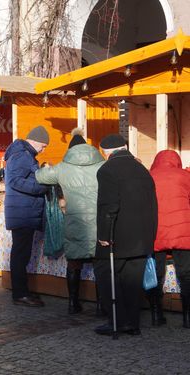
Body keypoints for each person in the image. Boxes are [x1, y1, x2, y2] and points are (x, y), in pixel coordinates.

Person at [35, 128, 105, 314]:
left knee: (74, 263)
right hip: (99, 224)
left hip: (75, 223)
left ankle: (73, 304)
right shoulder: (102, 165)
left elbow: (40, 177)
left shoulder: (63, 167)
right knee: (100, 265)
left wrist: (47, 167)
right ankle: (100, 306)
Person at [93, 134, 157, 336]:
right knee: (132, 282)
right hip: (142, 236)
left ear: (106, 152)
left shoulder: (107, 170)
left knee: (107, 275)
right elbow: (152, 204)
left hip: (118, 236)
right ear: (125, 147)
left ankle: (117, 321)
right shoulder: (142, 168)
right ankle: (132, 323)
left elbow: (109, 205)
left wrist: (104, 234)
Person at [4, 125, 49, 307]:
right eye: (44, 146)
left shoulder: (23, 154)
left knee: (21, 254)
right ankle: (20, 294)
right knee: (21, 254)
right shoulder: (22, 155)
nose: (43, 150)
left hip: (23, 210)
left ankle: (22, 291)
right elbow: (14, 181)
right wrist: (40, 188)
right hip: (23, 211)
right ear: (36, 142)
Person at [149, 150, 190, 328]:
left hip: (156, 230)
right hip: (182, 229)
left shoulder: (149, 176)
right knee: (186, 274)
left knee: (155, 274)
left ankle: (157, 315)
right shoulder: (185, 176)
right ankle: (187, 318)